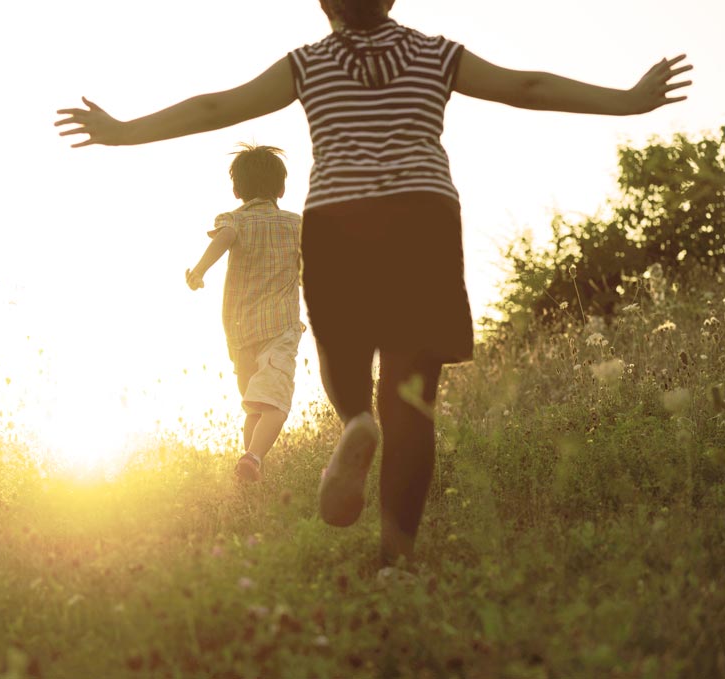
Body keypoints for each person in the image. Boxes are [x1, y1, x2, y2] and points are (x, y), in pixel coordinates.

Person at [55, 0, 692, 567]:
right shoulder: (436, 54)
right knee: (411, 400)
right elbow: (525, 86)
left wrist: (123, 131)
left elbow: (217, 106)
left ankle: (355, 420)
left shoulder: (307, 64)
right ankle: (397, 559)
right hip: (423, 216)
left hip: (340, 219)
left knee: (343, 354)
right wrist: (629, 99)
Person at [185, 144, 303, 483]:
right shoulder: (296, 225)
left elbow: (224, 238)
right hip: (280, 329)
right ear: (282, 189)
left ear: (237, 190)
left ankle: (247, 478)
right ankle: (252, 457)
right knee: (276, 404)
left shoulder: (235, 219)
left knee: (255, 405)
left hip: (240, 333)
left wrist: (199, 271)